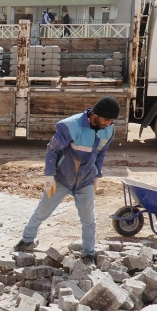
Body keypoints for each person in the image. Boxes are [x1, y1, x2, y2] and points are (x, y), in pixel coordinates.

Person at [13, 96, 119, 262]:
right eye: (106, 119)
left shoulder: (109, 130)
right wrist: (49, 176)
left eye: (111, 120)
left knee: (89, 219)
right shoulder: (70, 126)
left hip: (85, 180)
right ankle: (26, 241)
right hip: (61, 178)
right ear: (96, 114)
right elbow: (52, 149)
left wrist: (98, 174)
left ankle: (89, 253)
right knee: (42, 211)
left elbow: (101, 153)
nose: (108, 123)